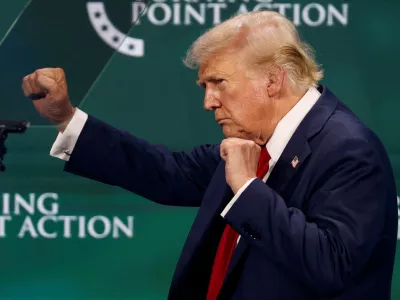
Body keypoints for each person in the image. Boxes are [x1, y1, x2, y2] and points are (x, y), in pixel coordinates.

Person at [21, 10, 397, 300]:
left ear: (273, 79)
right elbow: (163, 170)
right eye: (205, 85)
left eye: (219, 83)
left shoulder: (349, 149)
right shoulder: (249, 143)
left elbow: (331, 267)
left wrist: (248, 190)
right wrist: (65, 118)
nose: (208, 102)